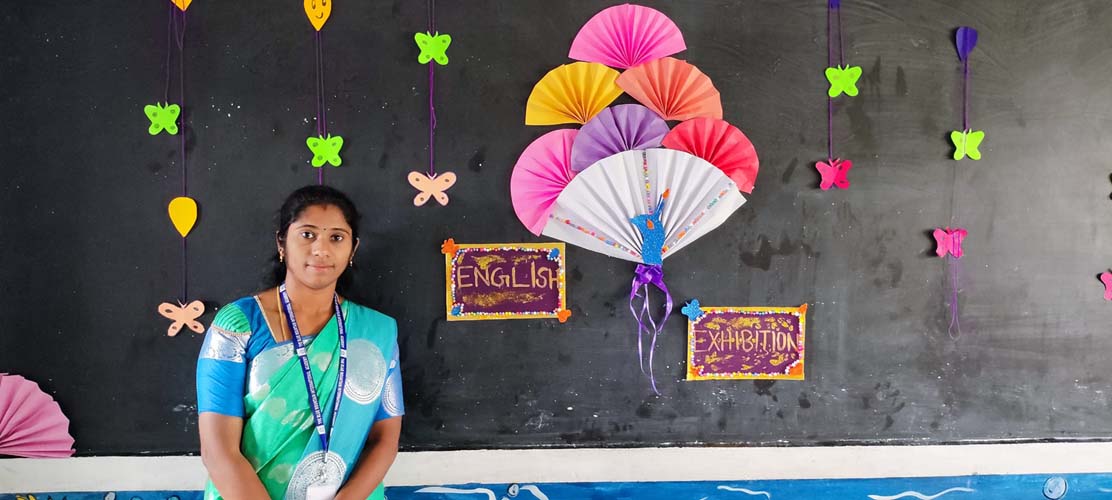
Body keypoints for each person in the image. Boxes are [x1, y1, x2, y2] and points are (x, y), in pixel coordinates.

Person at [196, 185, 403, 500]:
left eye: (336, 237)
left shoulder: (375, 332)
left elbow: (384, 440)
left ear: (353, 249)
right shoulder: (238, 325)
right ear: (282, 242)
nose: (321, 249)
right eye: (307, 235)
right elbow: (218, 451)